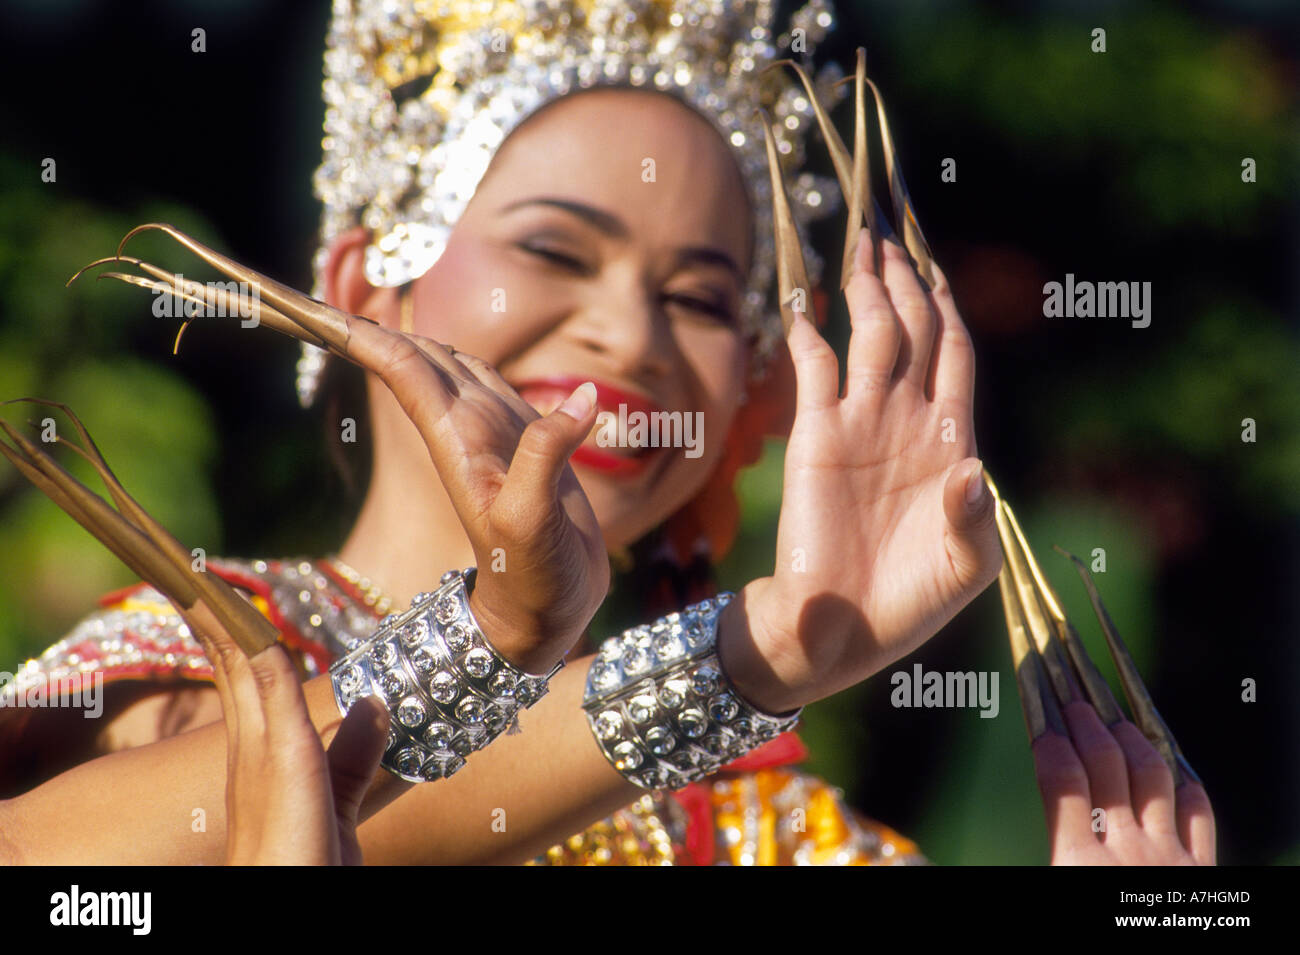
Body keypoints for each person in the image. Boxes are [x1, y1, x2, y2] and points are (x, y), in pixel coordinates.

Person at [0, 0, 1213, 866]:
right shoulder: (203, 655)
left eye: (696, 297)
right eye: (552, 250)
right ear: (369, 287)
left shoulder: (761, 827)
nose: (630, 338)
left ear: (749, 395)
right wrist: (517, 638)